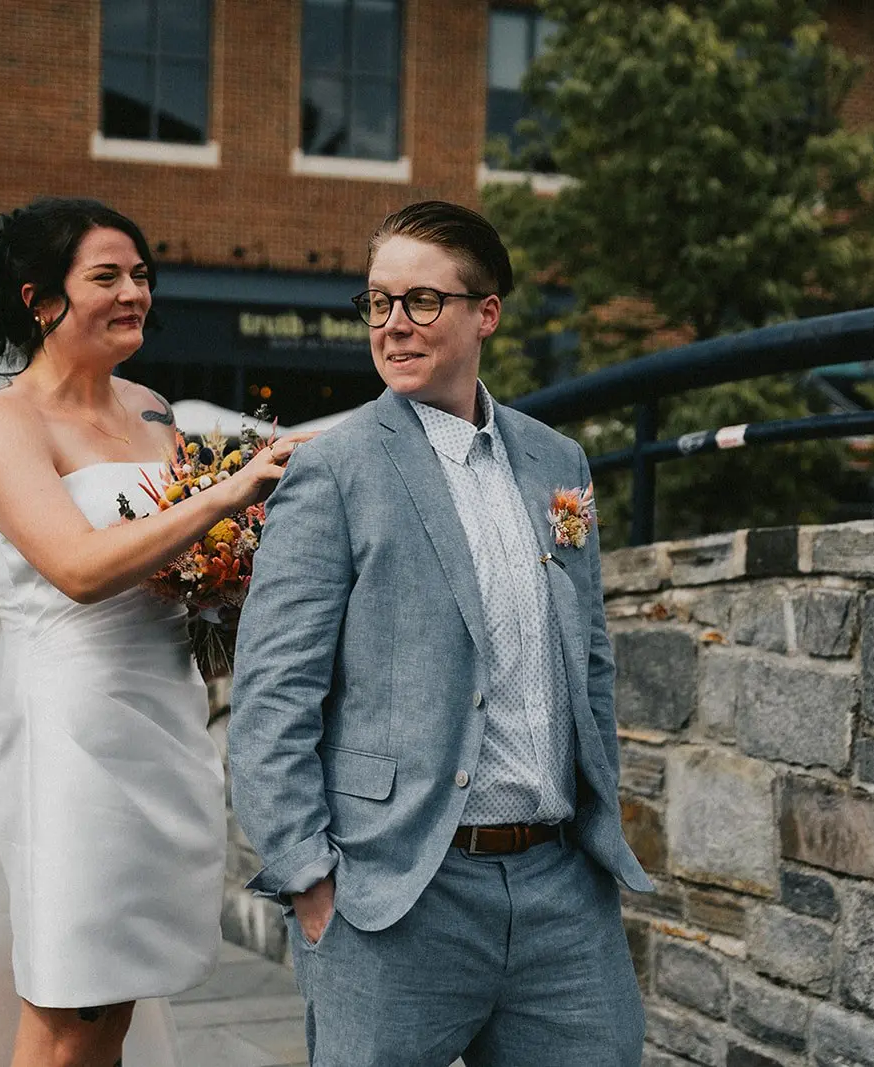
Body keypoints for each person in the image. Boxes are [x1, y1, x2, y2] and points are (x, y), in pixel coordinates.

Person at [0, 197, 304, 1067]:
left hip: (165, 719)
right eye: (106, 276)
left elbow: (181, 563)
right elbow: (77, 566)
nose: (133, 293)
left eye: (141, 275)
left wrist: (230, 574)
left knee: (114, 999)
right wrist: (228, 494)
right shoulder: (4, 425)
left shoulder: (152, 409)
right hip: (67, 733)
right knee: (70, 1006)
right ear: (38, 301)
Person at [228, 200, 654, 1067]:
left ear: (485, 313)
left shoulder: (557, 461)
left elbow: (589, 658)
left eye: (422, 301)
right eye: (378, 302)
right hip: (394, 894)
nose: (394, 324)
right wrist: (309, 878)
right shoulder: (331, 469)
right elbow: (273, 693)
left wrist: (596, 826)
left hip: (561, 891)